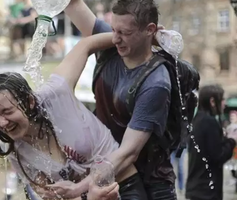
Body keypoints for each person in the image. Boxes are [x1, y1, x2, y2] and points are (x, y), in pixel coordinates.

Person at [51, 0, 199, 199]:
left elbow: (127, 153)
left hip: (150, 185)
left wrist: (79, 188)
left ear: (150, 30)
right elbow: (73, 6)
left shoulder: (156, 83)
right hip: (105, 173)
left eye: (125, 33)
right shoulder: (116, 40)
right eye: (113, 30)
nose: (115, 39)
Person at [0, 33, 143, 200]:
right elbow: (52, 197)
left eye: (8, 112)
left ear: (29, 101)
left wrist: (141, 38)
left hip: (125, 186)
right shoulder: (15, 149)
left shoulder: (55, 93)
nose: (2, 122)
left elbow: (85, 45)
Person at [185, 84, 237, 200]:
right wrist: (232, 140)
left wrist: (224, 138)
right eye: (222, 99)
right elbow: (218, 156)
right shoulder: (209, 122)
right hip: (206, 190)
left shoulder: (198, 119)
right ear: (213, 101)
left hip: (198, 187)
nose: (224, 103)